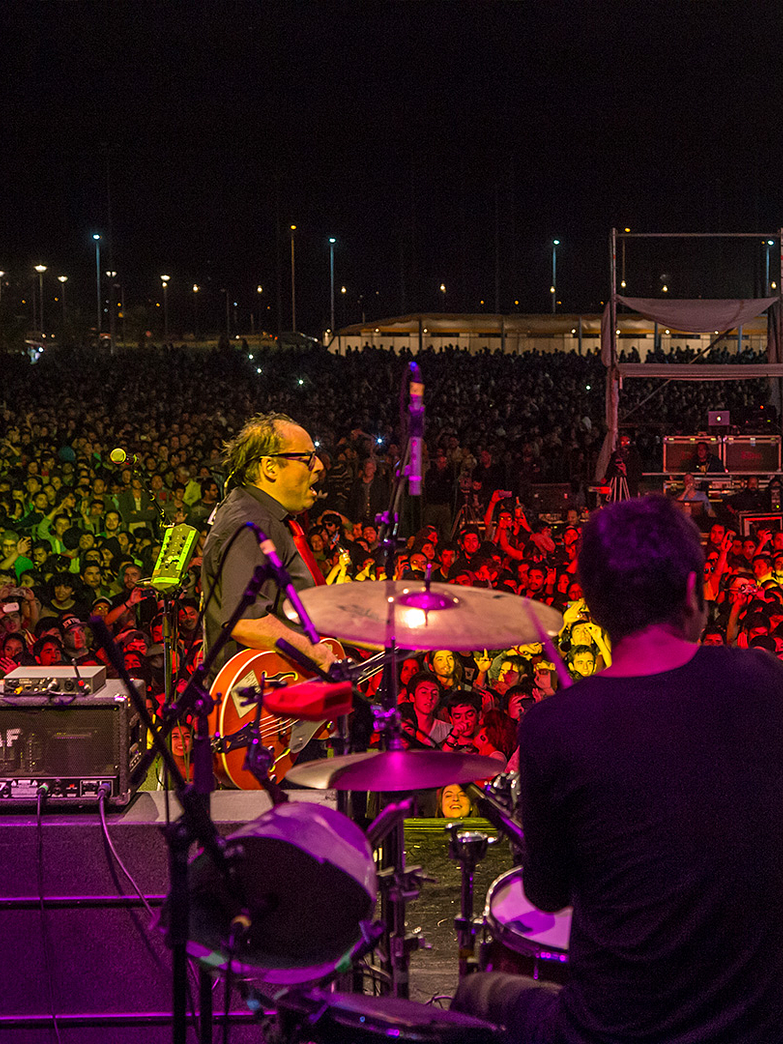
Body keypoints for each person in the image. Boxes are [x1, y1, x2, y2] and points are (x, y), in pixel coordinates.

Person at [453, 494, 783, 1043]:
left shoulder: (553, 726)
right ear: (690, 591)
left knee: (475, 993)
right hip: (759, 1023)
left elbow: (548, 894)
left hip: (615, 1030)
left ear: (595, 606)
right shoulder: (767, 681)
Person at [201, 412, 336, 683]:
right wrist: (318, 655)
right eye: (307, 458)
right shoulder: (255, 521)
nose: (319, 466)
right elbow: (246, 621)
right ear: (270, 467)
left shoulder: (253, 510)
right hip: (257, 706)